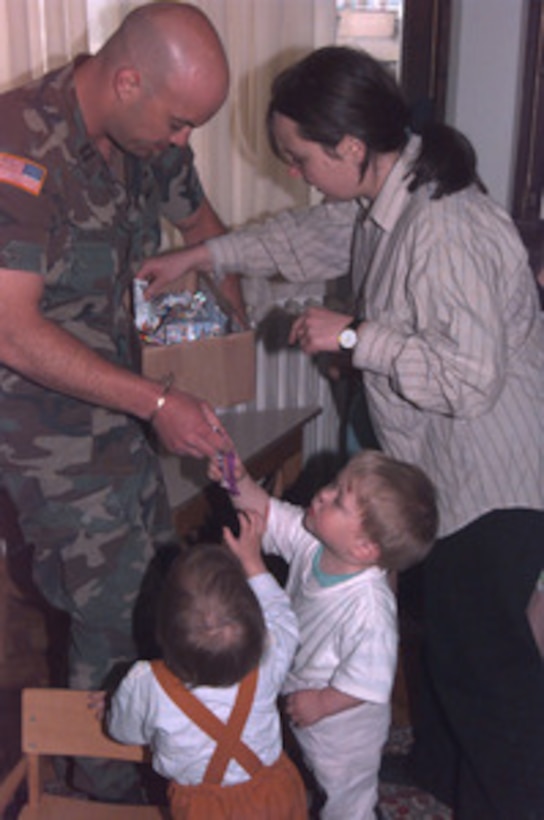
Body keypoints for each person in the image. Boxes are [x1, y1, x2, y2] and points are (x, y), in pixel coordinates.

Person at [138, 45, 544, 820]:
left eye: (299, 156)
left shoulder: (445, 227)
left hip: (496, 478)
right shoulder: (386, 197)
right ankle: (438, 774)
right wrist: (202, 253)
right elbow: (305, 238)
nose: (296, 171)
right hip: (445, 474)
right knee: (446, 646)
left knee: (484, 669)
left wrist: (357, 337)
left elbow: (470, 378)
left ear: (350, 147)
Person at [0, 1, 243, 801]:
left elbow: (201, 224)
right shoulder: (19, 145)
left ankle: (148, 757)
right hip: (50, 430)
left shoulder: (149, 132)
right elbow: (11, 332)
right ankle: (98, 793)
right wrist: (155, 402)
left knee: (150, 591)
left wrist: (225, 316)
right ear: (129, 78)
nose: (182, 141)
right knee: (108, 618)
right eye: (178, 122)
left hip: (137, 406)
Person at [208, 446, 438, 820]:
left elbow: (369, 681)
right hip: (304, 685)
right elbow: (266, 512)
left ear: (364, 547)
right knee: (306, 769)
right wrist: (236, 479)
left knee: (347, 794)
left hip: (343, 726)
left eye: (337, 500)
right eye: (333, 484)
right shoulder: (314, 541)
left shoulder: (370, 608)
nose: (322, 494)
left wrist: (322, 703)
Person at [106, 538, 308, 819]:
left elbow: (124, 732)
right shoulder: (270, 654)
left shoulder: (147, 684)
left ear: (161, 629)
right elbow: (283, 616)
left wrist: (117, 701)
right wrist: (253, 562)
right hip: (273, 792)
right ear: (256, 623)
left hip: (204, 809)